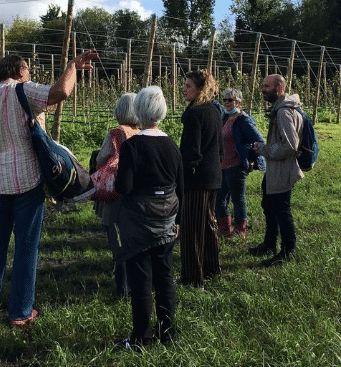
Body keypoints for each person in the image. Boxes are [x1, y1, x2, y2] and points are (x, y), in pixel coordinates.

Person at [0, 50, 98, 326]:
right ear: (20, 71)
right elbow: (61, 93)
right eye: (29, 71)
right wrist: (72, 65)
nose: (30, 75)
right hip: (26, 180)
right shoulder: (24, 89)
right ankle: (21, 311)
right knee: (26, 245)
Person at [113, 86, 183, 351]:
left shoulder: (133, 146)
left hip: (139, 222)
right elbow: (181, 186)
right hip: (167, 218)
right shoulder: (172, 145)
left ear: (139, 111)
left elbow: (124, 187)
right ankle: (168, 332)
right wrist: (179, 220)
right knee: (165, 277)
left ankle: (142, 337)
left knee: (141, 281)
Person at [250, 74, 304, 267]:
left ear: (279, 88)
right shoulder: (282, 109)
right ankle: (269, 244)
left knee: (282, 210)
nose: (263, 89)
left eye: (266, 86)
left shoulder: (283, 112)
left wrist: (265, 149)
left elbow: (290, 145)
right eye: (262, 85)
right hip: (275, 169)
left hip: (282, 169)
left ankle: (287, 251)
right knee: (269, 205)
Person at [91, 93, 140, 298]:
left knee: (117, 239)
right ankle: (138, 283)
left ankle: (123, 287)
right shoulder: (141, 133)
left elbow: (102, 157)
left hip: (115, 192)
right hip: (135, 191)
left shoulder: (115, 134)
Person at [179, 69, 223, 287]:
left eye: (188, 86)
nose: (184, 89)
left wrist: (183, 177)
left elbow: (191, 153)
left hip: (197, 180)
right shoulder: (214, 111)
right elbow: (219, 147)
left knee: (191, 230)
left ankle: (192, 278)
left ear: (200, 89)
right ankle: (212, 268)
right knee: (208, 224)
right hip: (214, 176)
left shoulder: (196, 114)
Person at [216, 88, 266, 239]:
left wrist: (250, 158)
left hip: (236, 166)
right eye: (224, 99)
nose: (226, 102)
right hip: (222, 165)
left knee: (238, 199)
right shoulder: (224, 118)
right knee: (220, 198)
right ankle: (224, 228)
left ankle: (239, 230)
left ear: (238, 102)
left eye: (230, 100)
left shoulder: (243, 121)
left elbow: (259, 140)